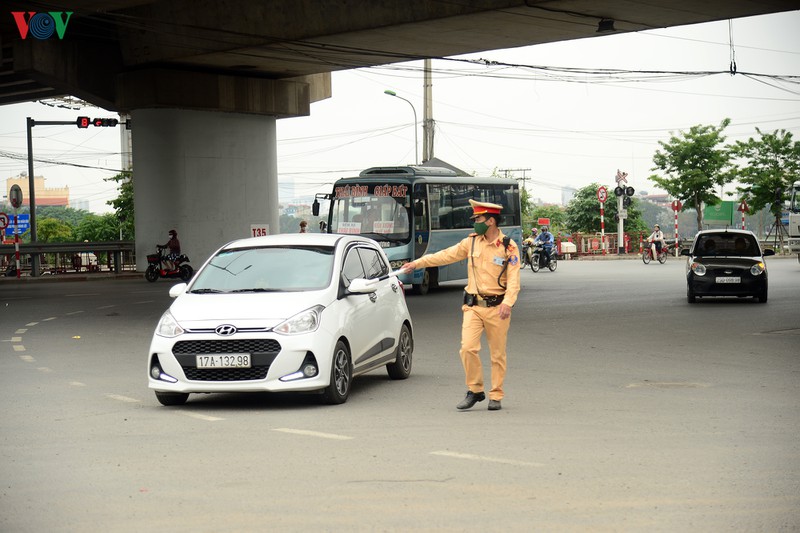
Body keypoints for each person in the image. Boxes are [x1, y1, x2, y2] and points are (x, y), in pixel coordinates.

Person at [400, 200, 521, 411]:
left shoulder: (508, 246)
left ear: (491, 221)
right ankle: (475, 390)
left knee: (497, 354)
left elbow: (514, 279)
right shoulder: (472, 242)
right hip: (473, 306)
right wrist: (417, 263)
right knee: (467, 348)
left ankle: (496, 395)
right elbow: (446, 255)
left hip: (497, 307)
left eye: (478, 219)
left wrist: (508, 303)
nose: (475, 223)